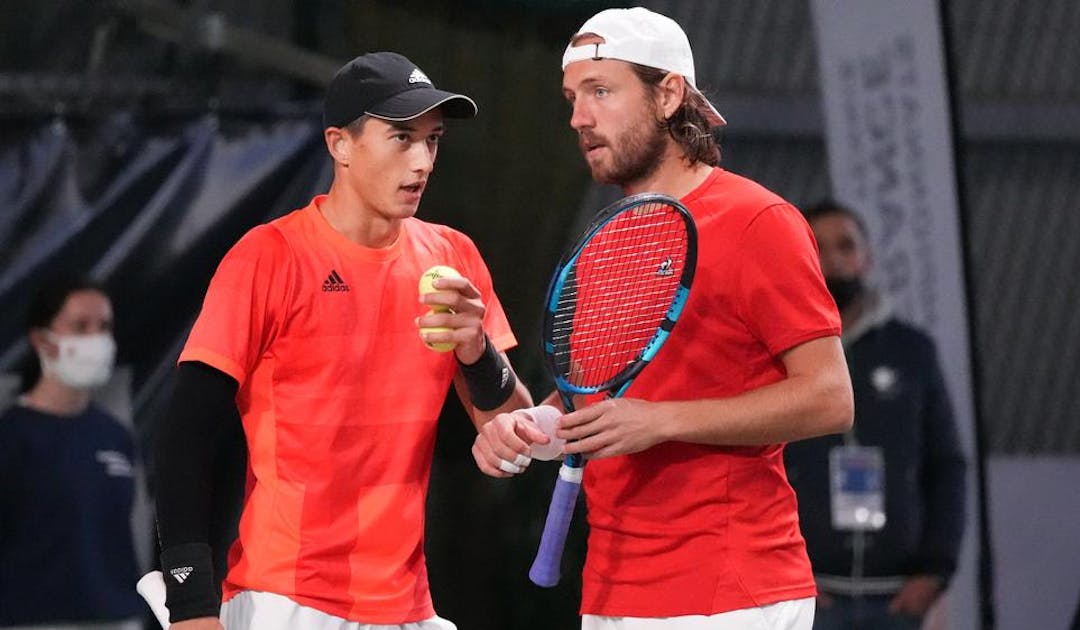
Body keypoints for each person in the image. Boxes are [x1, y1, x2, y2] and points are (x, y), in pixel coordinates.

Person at [482, 7, 854, 630]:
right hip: (612, 594)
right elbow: (594, 402)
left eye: (601, 91)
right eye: (573, 97)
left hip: (730, 593)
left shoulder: (757, 220)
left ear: (668, 93)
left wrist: (661, 422)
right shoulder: (606, 242)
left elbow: (830, 397)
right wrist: (537, 426)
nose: (579, 116)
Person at [151, 51, 538, 630]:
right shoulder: (269, 257)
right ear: (341, 144)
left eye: (432, 141)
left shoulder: (455, 257)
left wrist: (478, 353)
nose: (422, 161)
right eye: (401, 137)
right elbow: (184, 438)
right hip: (286, 603)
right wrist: (191, 607)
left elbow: (512, 431)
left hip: (411, 608)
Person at [783, 200, 967, 630]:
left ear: (866, 257)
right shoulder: (776, 352)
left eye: (846, 245)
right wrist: (784, 569)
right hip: (809, 594)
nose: (833, 258)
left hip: (897, 597)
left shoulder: (911, 350)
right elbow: (753, 468)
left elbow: (946, 465)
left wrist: (936, 572)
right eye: (818, 247)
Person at [0, 276, 143, 629]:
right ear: (42, 340)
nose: (96, 338)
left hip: (116, 616)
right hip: (33, 619)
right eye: (80, 326)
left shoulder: (115, 436)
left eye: (104, 326)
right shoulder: (12, 436)